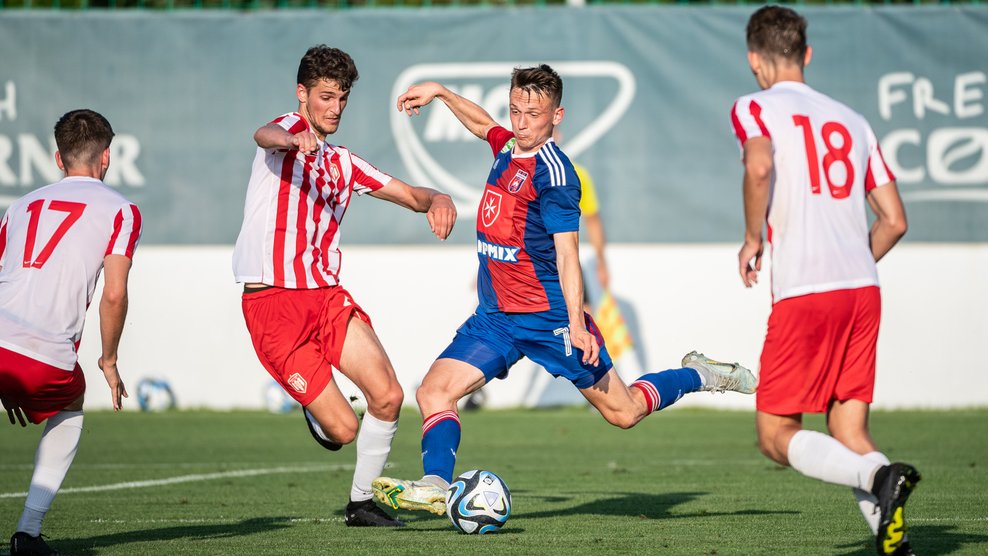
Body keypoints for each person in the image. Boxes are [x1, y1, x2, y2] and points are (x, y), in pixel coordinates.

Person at [371, 65, 757, 515]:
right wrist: (440, 92)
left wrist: (576, 323)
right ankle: (436, 484)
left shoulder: (555, 176)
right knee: (434, 392)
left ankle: (700, 375)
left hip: (548, 319)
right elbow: (483, 124)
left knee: (625, 412)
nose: (521, 123)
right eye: (515, 111)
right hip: (495, 318)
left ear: (557, 116)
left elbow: (569, 254)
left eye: (533, 115)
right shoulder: (508, 147)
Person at [232, 45, 456, 528]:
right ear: (302, 94)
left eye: (342, 99)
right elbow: (263, 133)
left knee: (389, 395)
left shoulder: (342, 162)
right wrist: (293, 140)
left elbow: (409, 194)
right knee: (343, 430)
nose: (334, 108)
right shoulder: (285, 133)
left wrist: (438, 198)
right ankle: (320, 413)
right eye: (325, 97)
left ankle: (361, 505)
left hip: (327, 298)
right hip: (273, 304)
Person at [731, 7, 918, 556]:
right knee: (850, 432)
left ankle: (878, 478)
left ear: (754, 60)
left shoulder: (755, 106)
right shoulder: (853, 120)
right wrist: (849, 264)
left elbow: (758, 167)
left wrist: (752, 238)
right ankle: (897, 545)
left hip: (806, 293)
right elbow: (894, 220)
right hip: (862, 288)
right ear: (807, 54)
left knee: (775, 436)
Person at [0, 109, 141, 556]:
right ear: (107, 157)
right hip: (42, 356)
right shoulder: (121, 209)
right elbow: (114, 294)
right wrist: (108, 361)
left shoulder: (18, 206)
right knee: (71, 403)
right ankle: (28, 533)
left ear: (58, 159)